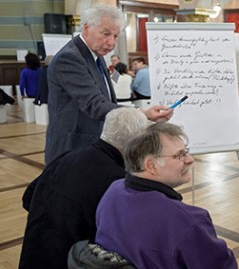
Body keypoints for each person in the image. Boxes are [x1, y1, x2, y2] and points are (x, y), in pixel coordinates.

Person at [19, 108, 149, 269]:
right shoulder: (117, 182)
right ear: (136, 142)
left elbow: (27, 199)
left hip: (35, 253)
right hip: (71, 260)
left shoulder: (67, 156)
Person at [94, 123, 237, 268]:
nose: (190, 159)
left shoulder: (113, 190)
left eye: (186, 151)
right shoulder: (186, 220)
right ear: (151, 166)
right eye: (180, 155)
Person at [45, 5, 172, 163]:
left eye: (116, 36)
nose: (112, 42)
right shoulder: (70, 58)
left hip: (94, 145)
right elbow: (94, 104)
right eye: (106, 34)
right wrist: (142, 114)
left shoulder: (96, 56)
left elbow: (107, 101)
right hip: (74, 147)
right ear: (86, 28)